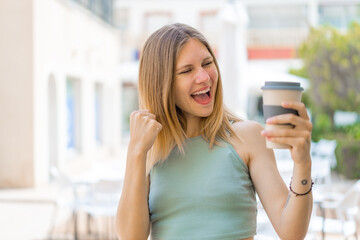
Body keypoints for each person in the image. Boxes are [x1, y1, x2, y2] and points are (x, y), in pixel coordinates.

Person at [116, 23, 313, 240]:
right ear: (162, 85)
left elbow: (292, 233)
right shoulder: (149, 149)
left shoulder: (247, 137)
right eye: (187, 70)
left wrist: (303, 163)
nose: (204, 77)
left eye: (207, 63)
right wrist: (136, 152)